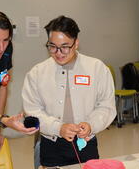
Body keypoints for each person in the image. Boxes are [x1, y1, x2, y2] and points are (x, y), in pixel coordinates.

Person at [22, 15, 116, 168]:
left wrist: (91, 124)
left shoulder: (97, 68)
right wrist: (58, 128)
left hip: (86, 143)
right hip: (51, 145)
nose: (58, 52)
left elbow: (106, 106)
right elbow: (32, 112)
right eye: (52, 46)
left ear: (76, 43)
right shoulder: (37, 73)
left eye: (65, 46)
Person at [0, 11, 38, 150]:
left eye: (5, 40)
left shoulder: (7, 49)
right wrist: (3, 121)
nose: (1, 48)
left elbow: (2, 87)